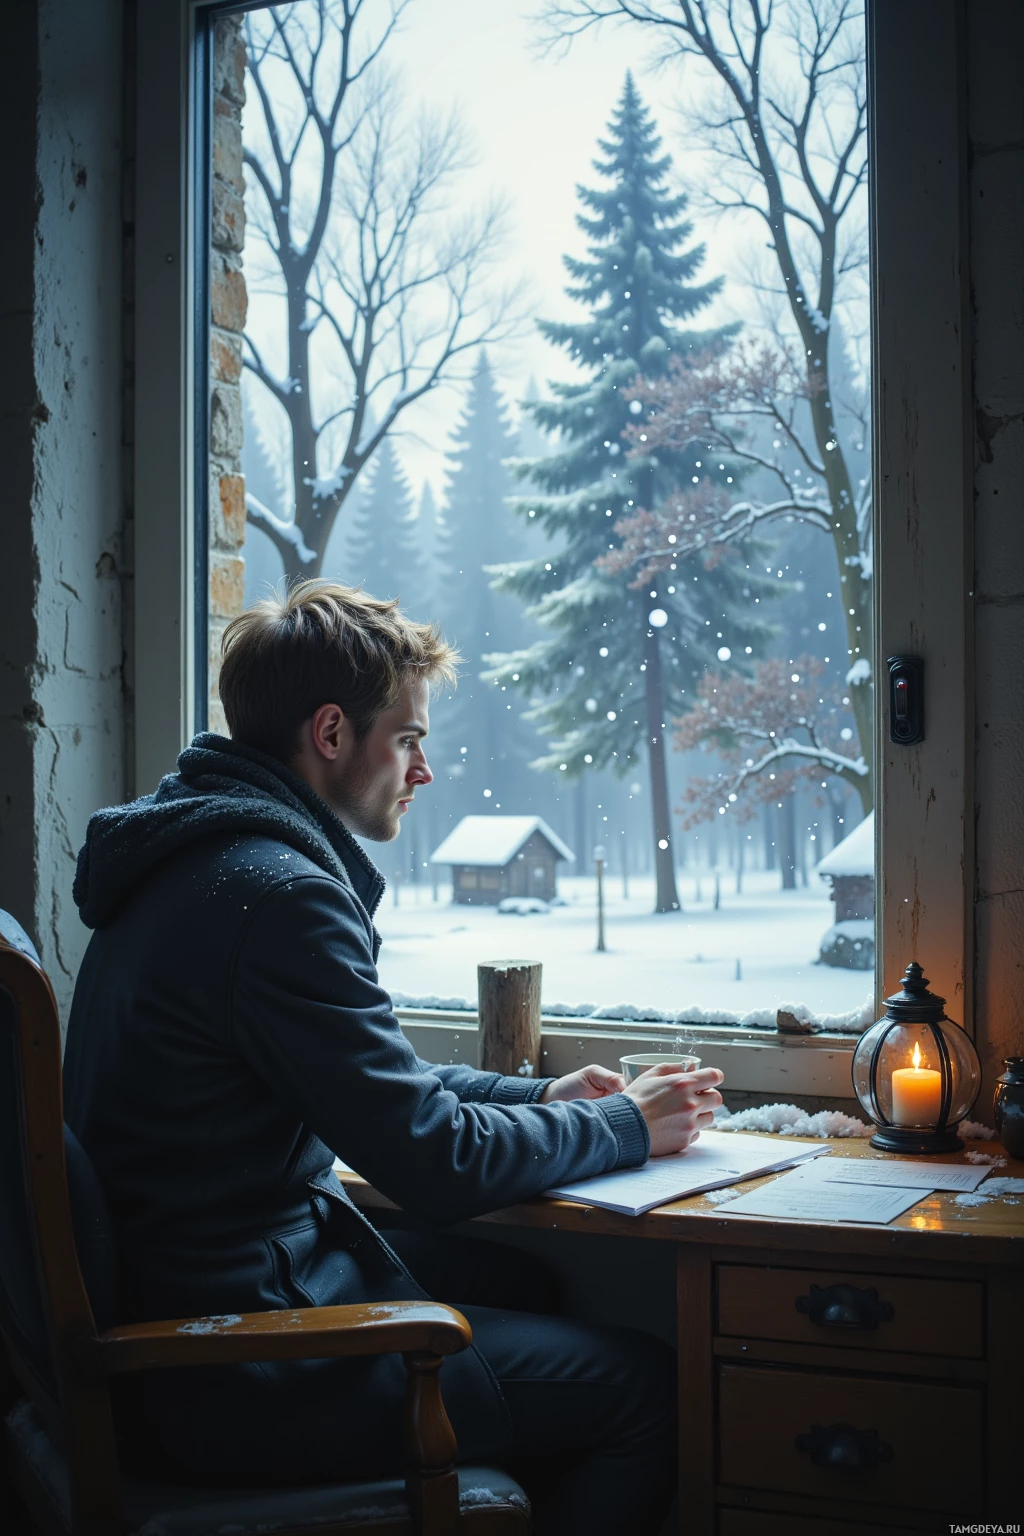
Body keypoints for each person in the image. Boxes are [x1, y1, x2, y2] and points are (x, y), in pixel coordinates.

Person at [64, 580, 724, 1535]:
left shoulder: (199, 858)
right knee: (648, 1388)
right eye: (409, 740)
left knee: (526, 1282)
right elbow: (433, 1160)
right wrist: (624, 1123)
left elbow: (374, 1080)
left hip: (185, 1289)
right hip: (226, 1361)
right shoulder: (278, 897)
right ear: (331, 734)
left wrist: (539, 1091)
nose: (424, 771)